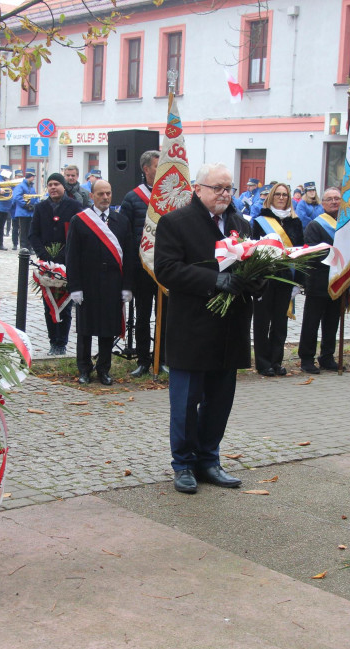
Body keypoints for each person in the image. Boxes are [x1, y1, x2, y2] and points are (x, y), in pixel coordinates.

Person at [155, 162, 256, 494]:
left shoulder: (240, 224)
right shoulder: (176, 223)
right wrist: (215, 280)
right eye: (218, 188)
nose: (225, 195)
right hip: (192, 331)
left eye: (229, 189)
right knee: (186, 402)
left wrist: (257, 279)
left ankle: (208, 459)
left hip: (229, 332)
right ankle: (183, 464)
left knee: (219, 401)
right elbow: (167, 269)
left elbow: (251, 266)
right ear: (198, 190)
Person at [66, 180, 135, 386]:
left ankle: (104, 369)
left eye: (109, 193)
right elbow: (72, 256)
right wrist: (75, 287)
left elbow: (130, 256)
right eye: (101, 194)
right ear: (92, 196)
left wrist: (127, 286)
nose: (105, 197)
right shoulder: (80, 221)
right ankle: (84, 369)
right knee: (85, 329)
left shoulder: (121, 221)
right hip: (88, 283)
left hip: (113, 283)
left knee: (108, 329)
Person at [252, 182, 304, 376]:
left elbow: (300, 254)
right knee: (262, 322)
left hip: (285, 279)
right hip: (265, 279)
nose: (281, 198)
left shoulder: (295, 222)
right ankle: (262, 363)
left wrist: (298, 282)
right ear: (271, 197)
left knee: (280, 323)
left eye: (285, 195)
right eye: (278, 195)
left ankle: (276, 361)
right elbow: (254, 249)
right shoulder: (260, 221)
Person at [119, 149, 163, 378]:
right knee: (143, 316)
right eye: (158, 166)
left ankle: (162, 358)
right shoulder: (132, 198)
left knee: (165, 316)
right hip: (142, 268)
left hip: (167, 267)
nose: (162, 170)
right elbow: (124, 235)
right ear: (146, 169)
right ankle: (144, 360)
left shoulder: (170, 196)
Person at [30, 173, 81, 355]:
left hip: (68, 264)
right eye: (50, 184)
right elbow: (33, 234)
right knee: (49, 304)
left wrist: (64, 254)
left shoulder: (75, 206)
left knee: (65, 305)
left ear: (64, 186)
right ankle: (53, 341)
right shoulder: (40, 207)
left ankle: (62, 342)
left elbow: (78, 233)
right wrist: (43, 254)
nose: (53, 187)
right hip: (46, 266)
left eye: (56, 184)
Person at [298, 187, 344, 374]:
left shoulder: (344, 225)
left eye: (337, 199)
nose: (334, 202)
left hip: (338, 280)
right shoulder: (315, 225)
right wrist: (337, 255)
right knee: (312, 322)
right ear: (323, 203)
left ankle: (327, 356)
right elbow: (312, 254)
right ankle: (307, 358)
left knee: (332, 322)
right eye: (330, 199)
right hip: (318, 282)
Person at [11, 169, 40, 252]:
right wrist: (25, 205)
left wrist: (35, 205)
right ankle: (24, 247)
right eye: (33, 177)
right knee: (23, 231)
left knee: (30, 230)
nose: (33, 178)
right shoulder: (20, 186)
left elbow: (35, 197)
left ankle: (29, 246)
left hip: (30, 212)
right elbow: (17, 197)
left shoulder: (31, 187)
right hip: (23, 212)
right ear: (29, 177)